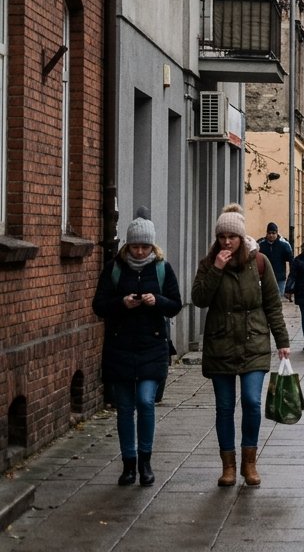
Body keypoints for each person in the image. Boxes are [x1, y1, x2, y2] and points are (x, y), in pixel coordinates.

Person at [191, 203, 291, 488]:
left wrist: (282, 341)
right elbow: (199, 298)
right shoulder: (209, 262)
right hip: (220, 344)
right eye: (222, 236)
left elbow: (272, 304)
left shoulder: (259, 263)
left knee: (251, 400)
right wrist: (216, 269)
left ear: (241, 237)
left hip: (253, 341)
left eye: (231, 237)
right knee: (224, 408)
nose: (226, 242)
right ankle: (228, 467)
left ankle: (250, 462)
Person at [92, 208, 183, 486]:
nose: (140, 251)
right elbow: (99, 306)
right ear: (127, 245)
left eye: (145, 246)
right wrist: (122, 303)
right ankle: (128, 464)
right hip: (120, 346)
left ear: (152, 245)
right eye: (135, 246)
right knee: (124, 407)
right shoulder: (115, 269)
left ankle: (145, 461)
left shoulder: (162, 268)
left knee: (145, 401)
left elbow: (176, 303)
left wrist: (158, 301)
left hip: (152, 345)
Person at [257, 222, 293, 296]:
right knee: (266, 297)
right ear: (267, 233)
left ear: (277, 233)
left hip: (279, 277)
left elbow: (290, 259)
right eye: (269, 233)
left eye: (273, 233)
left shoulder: (283, 245)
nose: (271, 235)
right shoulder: (261, 245)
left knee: (278, 297)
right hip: (265, 277)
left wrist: (291, 276)